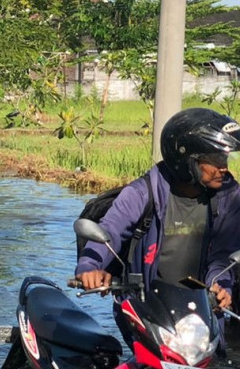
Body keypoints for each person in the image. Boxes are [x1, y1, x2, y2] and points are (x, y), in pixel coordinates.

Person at [77, 107, 240, 312]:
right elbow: (110, 231)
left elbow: (223, 255)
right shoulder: (142, 194)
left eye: (224, 158)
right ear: (186, 159)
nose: (224, 167)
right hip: (148, 310)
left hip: (200, 314)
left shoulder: (229, 197)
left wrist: (221, 286)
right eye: (215, 160)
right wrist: (89, 266)